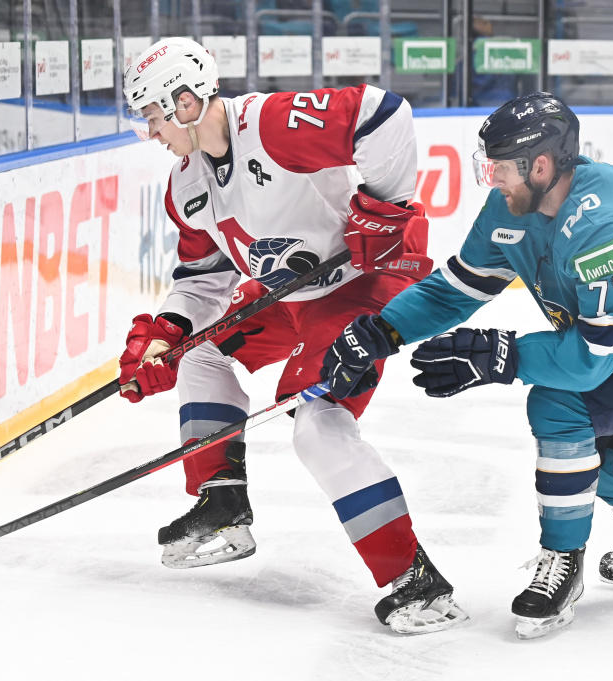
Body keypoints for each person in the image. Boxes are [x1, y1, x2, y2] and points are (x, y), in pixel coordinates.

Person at [321, 92, 613, 639]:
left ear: (540, 166)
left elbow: (592, 360)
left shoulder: (606, 224)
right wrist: (382, 332)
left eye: (499, 168)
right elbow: (457, 289)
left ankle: (562, 564)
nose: (490, 180)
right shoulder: (511, 208)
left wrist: (501, 356)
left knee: (560, 404)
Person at [118, 36, 468, 634]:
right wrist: (165, 335)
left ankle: (417, 582)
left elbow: (385, 114)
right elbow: (203, 280)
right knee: (199, 356)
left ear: (185, 102)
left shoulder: (271, 125)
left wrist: (386, 206)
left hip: (357, 286)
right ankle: (222, 502)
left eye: (153, 115)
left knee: (318, 425)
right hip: (287, 298)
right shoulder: (186, 187)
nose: (151, 132)